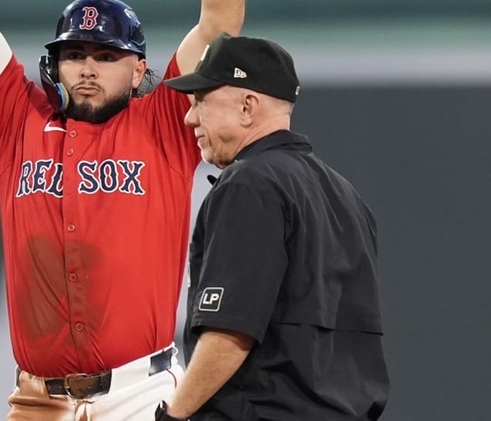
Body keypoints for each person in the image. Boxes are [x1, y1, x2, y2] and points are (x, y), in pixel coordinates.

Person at [0, 0, 248, 418]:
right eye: (73, 55)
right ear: (54, 65)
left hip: (142, 396)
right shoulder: (15, 118)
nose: (87, 68)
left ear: (140, 68)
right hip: (36, 400)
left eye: (106, 55)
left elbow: (218, 26)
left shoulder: (166, 122)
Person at [153, 33, 390, 420]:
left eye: (201, 101)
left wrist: (172, 415)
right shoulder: (345, 195)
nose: (189, 117)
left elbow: (230, 331)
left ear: (248, 106)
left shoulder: (249, 184)